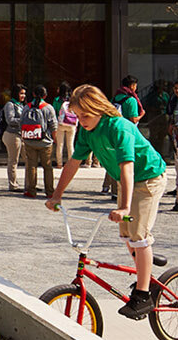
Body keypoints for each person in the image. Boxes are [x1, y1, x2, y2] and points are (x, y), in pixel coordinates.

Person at [46, 83, 170, 319]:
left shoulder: (118, 127)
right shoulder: (87, 132)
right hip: (128, 182)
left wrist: (124, 207)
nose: (81, 121)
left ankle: (143, 295)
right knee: (125, 232)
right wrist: (57, 195)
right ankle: (146, 261)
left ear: (99, 108)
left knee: (138, 235)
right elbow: (73, 163)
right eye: (77, 116)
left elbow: (128, 167)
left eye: (85, 115)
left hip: (149, 179)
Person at [16, 86, 58, 199]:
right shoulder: (49, 108)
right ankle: (49, 192)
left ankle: (31, 191)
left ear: (33, 94)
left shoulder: (26, 107)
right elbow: (53, 126)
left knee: (31, 166)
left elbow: (21, 123)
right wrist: (55, 140)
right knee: (47, 167)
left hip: (30, 141)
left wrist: (25, 136)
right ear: (45, 95)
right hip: (45, 142)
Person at [0, 85, 29, 191]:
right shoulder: (10, 104)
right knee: (13, 160)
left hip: (23, 135)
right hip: (12, 135)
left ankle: (29, 184)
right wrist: (24, 120)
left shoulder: (23, 105)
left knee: (29, 160)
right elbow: (10, 120)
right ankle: (13, 185)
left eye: (24, 93)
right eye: (21, 93)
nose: (23, 96)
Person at [52, 82, 78, 169]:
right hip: (71, 124)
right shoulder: (72, 100)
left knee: (60, 145)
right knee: (70, 145)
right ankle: (71, 164)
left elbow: (54, 112)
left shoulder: (56, 100)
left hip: (60, 124)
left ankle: (59, 164)